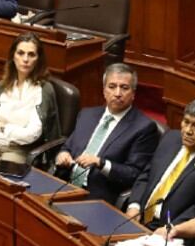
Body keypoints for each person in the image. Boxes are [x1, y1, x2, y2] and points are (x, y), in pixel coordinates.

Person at [55, 63, 159, 205]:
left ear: (133, 94)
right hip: (65, 184)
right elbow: (68, 146)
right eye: (112, 87)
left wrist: (101, 163)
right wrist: (63, 154)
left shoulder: (143, 128)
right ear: (104, 91)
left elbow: (134, 174)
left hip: (97, 195)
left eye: (124, 88)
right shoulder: (86, 115)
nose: (117, 93)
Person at [126, 98, 195, 229]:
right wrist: (134, 205)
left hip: (170, 231)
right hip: (137, 217)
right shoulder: (171, 138)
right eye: (186, 122)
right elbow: (147, 175)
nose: (188, 131)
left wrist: (172, 229)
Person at [0, 33, 60, 173]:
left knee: (2, 175)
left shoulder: (44, 90)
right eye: (20, 53)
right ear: (13, 57)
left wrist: (3, 128)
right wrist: (11, 134)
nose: (25, 59)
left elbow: (31, 135)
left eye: (31, 54)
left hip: (21, 150)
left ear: (38, 59)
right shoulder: (0, 87)